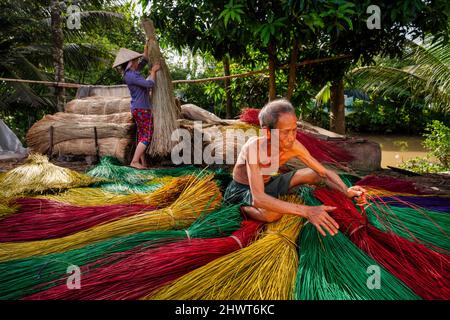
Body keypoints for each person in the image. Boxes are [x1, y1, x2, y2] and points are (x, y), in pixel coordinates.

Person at [223, 98, 367, 237]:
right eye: (286, 132)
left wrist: (345, 190)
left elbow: (323, 172)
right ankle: (242, 208)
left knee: (313, 173)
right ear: (267, 132)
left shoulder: (294, 146)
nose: (292, 137)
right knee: (272, 214)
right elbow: (258, 198)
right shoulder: (254, 148)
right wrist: (307, 211)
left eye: (294, 130)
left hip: (268, 183)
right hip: (243, 190)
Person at [112, 45, 160, 169]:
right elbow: (149, 84)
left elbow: (142, 63)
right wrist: (153, 72)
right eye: (135, 60)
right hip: (143, 108)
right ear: (131, 62)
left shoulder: (130, 73)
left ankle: (143, 162)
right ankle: (134, 161)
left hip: (137, 108)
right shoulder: (132, 76)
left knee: (142, 133)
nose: (138, 61)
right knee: (147, 135)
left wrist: (145, 53)